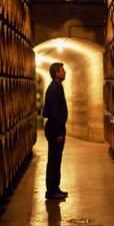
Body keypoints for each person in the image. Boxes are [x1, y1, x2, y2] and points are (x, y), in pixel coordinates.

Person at [42, 62, 69, 200]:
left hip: (56, 127)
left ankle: (55, 188)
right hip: (54, 129)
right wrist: (59, 132)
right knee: (53, 160)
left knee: (56, 160)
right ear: (56, 73)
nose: (65, 72)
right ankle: (51, 191)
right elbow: (54, 113)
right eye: (62, 70)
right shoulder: (53, 89)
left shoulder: (58, 87)